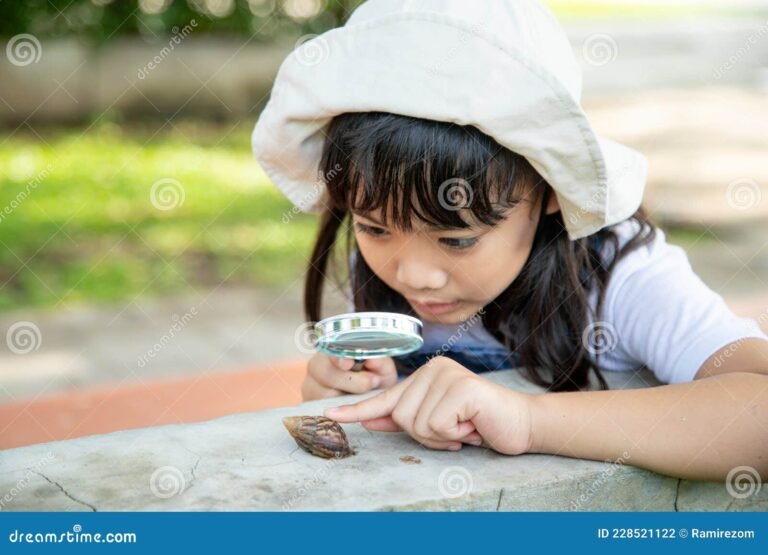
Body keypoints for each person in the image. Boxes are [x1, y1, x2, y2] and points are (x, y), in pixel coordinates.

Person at [251, 0, 768, 481]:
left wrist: (527, 419)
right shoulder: (394, 278)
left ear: (549, 191)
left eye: (456, 239)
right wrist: (344, 395)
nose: (413, 274)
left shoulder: (620, 278)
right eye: (374, 228)